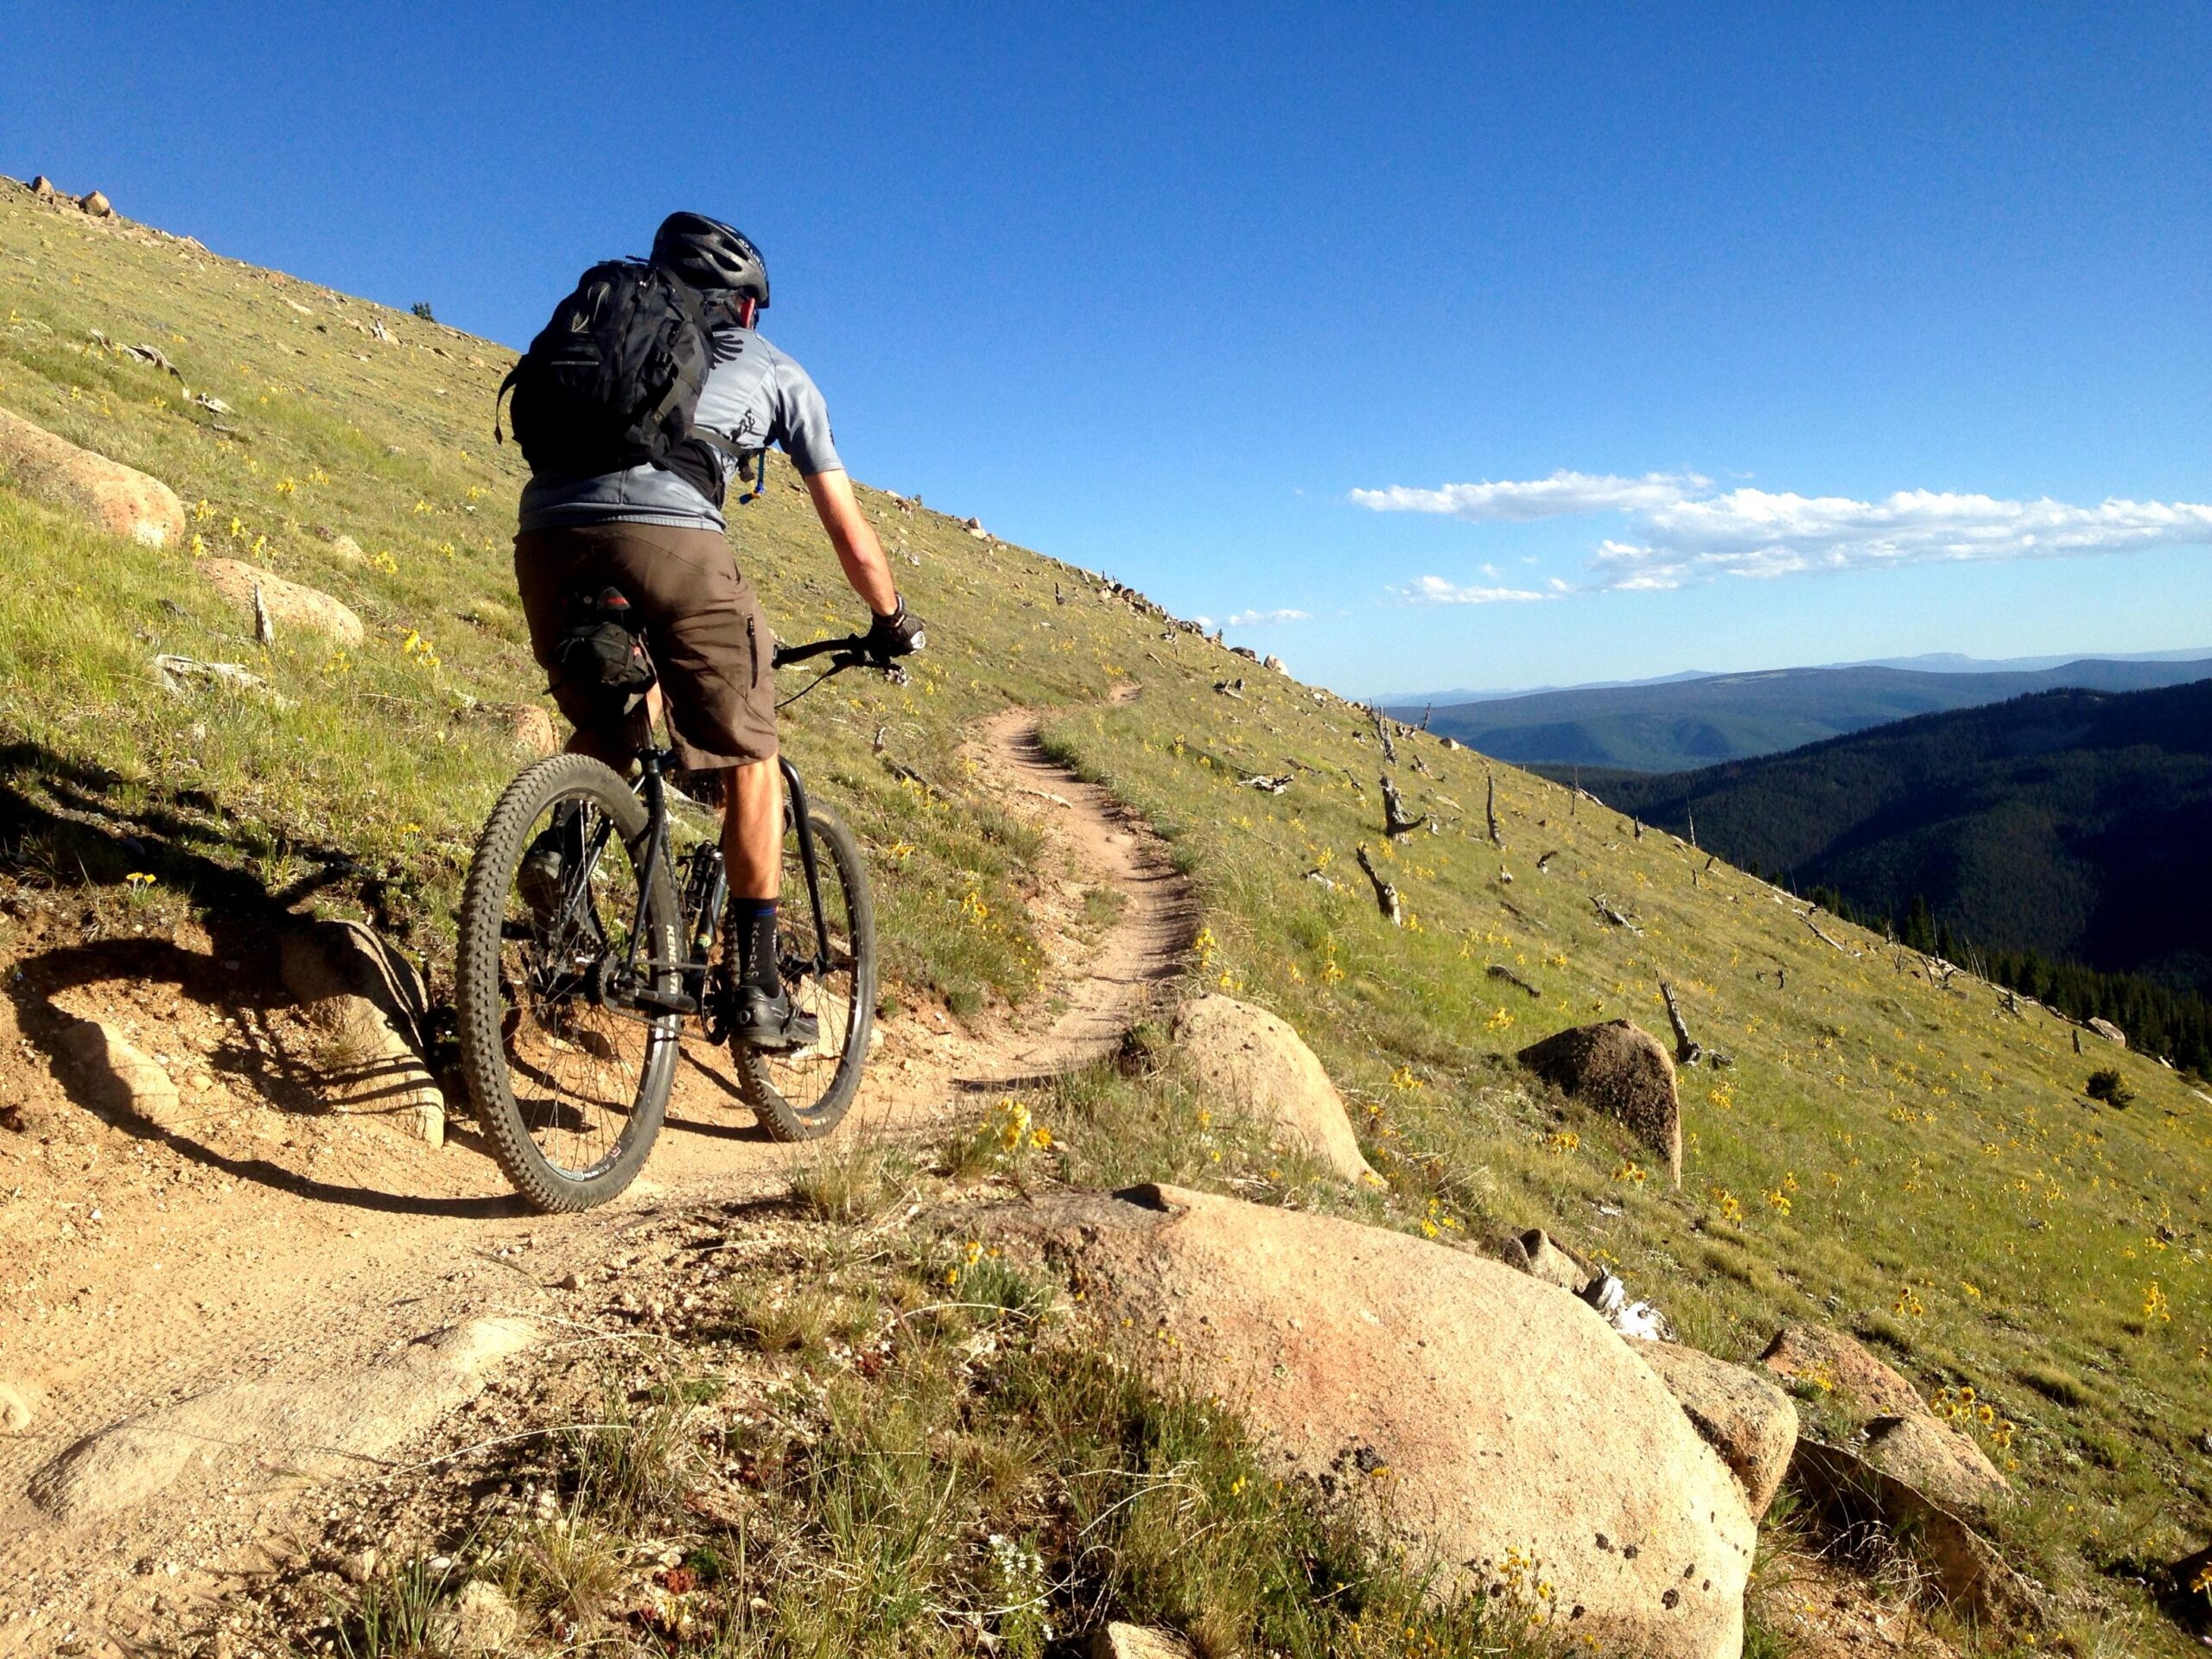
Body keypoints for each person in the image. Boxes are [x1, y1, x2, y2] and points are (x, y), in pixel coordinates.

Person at [511, 212, 923, 1049]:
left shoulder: (600, 326)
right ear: (743, 306)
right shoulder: (777, 372)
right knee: (749, 758)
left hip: (546, 532)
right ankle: (760, 992)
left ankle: (559, 838)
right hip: (672, 539)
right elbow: (846, 527)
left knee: (610, 719)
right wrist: (890, 621)